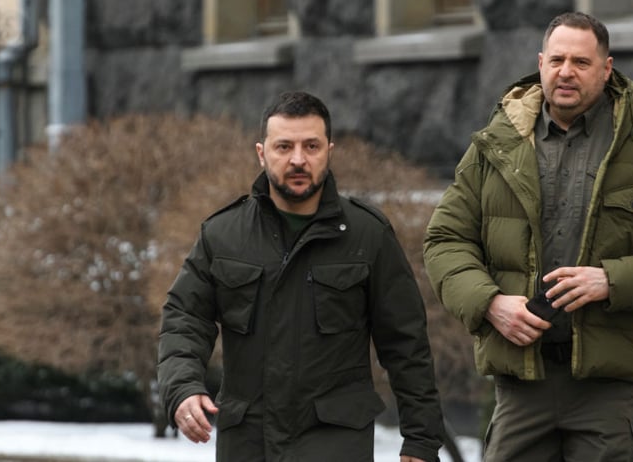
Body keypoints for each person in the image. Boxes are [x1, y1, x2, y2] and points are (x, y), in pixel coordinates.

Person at [423, 12, 633, 461]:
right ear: (540, 63)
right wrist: (490, 303)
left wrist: (611, 280)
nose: (566, 72)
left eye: (581, 62)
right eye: (557, 60)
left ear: (607, 69)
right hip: (523, 380)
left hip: (610, 388)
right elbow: (445, 239)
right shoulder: (495, 148)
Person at [157, 91, 444, 461]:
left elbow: (406, 341)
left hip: (335, 442)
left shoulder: (367, 235)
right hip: (248, 443)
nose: (298, 159)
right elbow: (184, 317)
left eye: (311, 146)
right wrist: (182, 386)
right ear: (261, 153)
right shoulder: (223, 235)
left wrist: (421, 440)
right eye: (284, 147)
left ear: (329, 150)